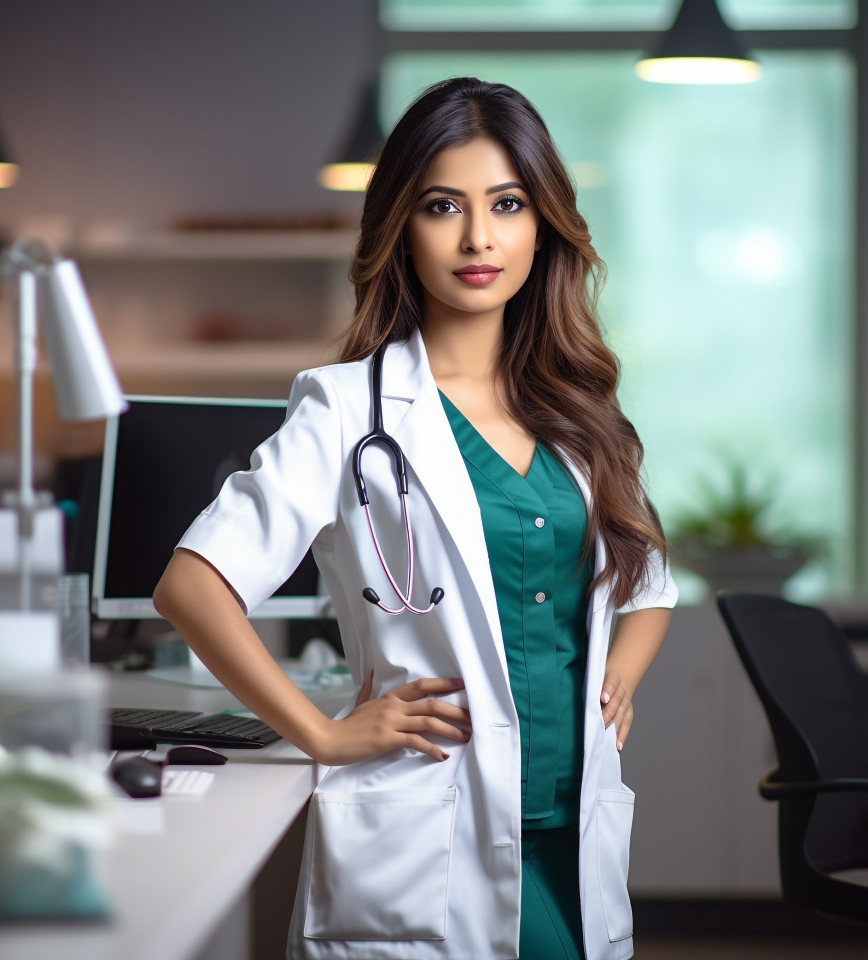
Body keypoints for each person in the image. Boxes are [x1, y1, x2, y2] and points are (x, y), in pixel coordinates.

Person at [154, 76, 677, 960]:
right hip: (430, 832)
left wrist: (619, 672)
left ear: (543, 221)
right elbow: (192, 586)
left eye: (507, 203)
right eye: (445, 206)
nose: (480, 238)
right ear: (403, 224)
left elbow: (650, 586)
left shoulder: (579, 411)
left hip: (572, 825)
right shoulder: (346, 409)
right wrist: (319, 731)